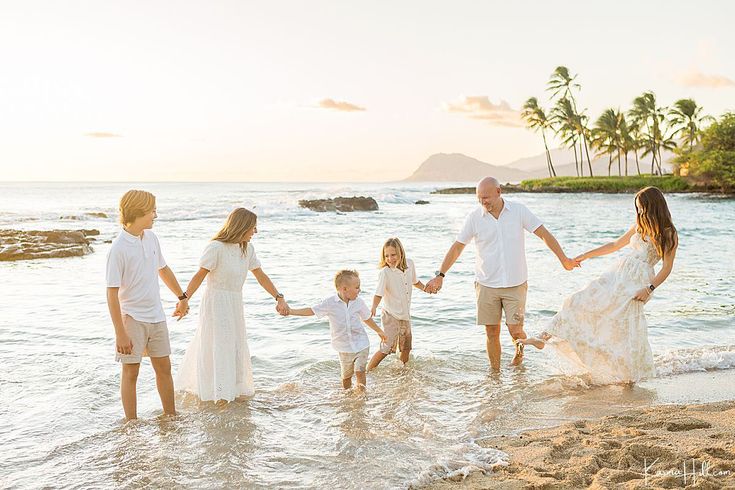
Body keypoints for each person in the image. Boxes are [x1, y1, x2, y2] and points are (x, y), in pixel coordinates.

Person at [519, 187, 678, 384]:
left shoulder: (668, 233)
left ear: (654, 206)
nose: (640, 213)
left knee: (624, 326)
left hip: (638, 283)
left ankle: (628, 378)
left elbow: (667, 268)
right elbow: (614, 245)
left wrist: (648, 289)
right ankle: (543, 338)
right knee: (579, 300)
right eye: (637, 209)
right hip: (618, 274)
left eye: (642, 208)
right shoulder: (638, 227)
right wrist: (587, 254)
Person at [425, 177, 578, 371]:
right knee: (491, 332)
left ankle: (519, 354)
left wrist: (563, 259)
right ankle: (495, 373)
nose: (483, 202)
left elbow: (543, 234)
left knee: (515, 330)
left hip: (515, 283)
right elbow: (457, 247)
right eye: (479, 198)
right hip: (486, 284)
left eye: (486, 197)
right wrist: (440, 275)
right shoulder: (474, 218)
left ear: (498, 192)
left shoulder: (519, 211)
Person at [176, 208, 289, 402]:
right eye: (253, 227)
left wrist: (278, 297)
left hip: (235, 303)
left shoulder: (247, 249)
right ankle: (217, 394)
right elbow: (199, 276)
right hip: (216, 303)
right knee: (219, 345)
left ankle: (232, 391)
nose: (256, 232)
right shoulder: (215, 248)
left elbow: (261, 276)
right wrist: (184, 298)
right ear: (242, 226)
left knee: (235, 346)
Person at [106, 189, 189, 420]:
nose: (155, 215)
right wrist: (120, 333)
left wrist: (182, 297)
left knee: (164, 368)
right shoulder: (118, 248)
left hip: (157, 316)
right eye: (152, 210)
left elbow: (163, 269)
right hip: (131, 318)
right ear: (138, 211)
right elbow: (111, 294)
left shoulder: (151, 238)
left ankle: (170, 417)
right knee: (131, 372)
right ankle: (131, 424)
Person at [287, 270, 387, 390]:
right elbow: (312, 311)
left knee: (360, 371)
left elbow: (367, 318)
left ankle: (361, 396)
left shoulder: (359, 302)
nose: (359, 290)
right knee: (346, 377)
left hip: (361, 344)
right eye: (357, 287)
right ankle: (347, 395)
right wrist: (291, 311)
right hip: (343, 347)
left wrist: (379, 331)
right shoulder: (330, 303)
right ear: (344, 289)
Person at [367, 238, 430, 370]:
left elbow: (415, 282)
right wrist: (373, 306)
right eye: (387, 256)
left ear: (401, 252)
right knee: (387, 347)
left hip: (405, 315)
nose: (390, 259)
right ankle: (368, 371)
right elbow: (379, 293)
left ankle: (403, 373)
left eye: (393, 255)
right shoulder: (385, 272)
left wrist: (426, 289)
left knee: (406, 347)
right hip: (391, 315)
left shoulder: (410, 264)